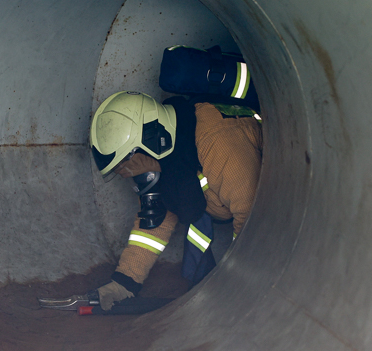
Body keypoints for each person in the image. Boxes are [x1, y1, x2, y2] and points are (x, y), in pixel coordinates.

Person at [90, 90, 262, 311]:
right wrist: (124, 283)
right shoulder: (166, 158)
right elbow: (154, 224)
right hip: (227, 207)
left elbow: (253, 218)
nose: (127, 174)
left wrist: (242, 287)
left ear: (150, 138)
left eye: (126, 164)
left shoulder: (216, 141)